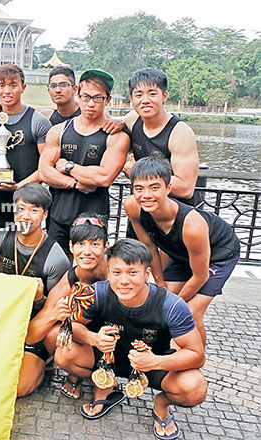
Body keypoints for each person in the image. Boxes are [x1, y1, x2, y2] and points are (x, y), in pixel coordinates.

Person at [54, 239, 207, 440]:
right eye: (117, 273)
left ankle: (161, 405)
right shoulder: (98, 293)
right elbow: (71, 325)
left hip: (151, 364)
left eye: (132, 273)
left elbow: (197, 355)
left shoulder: (171, 305)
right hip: (106, 359)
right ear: (108, 273)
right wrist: (94, 338)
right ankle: (105, 386)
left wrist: (155, 361)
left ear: (147, 274)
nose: (124, 281)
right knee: (64, 353)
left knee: (195, 387)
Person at [125, 157, 240, 344]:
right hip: (180, 254)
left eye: (154, 187)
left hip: (218, 254)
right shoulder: (133, 206)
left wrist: (175, 303)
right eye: (139, 188)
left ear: (168, 188)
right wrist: (159, 282)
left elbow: (200, 275)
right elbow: (149, 246)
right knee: (159, 305)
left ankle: (195, 362)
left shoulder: (192, 225)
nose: (146, 195)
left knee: (190, 314)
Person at [0, 183, 70, 396]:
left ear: (45, 214)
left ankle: (45, 362)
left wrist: (39, 298)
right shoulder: (2, 236)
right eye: (21, 209)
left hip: (35, 325)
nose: (26, 216)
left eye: (34, 210)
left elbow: (53, 312)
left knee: (20, 388)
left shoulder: (55, 257)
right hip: (6, 319)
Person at [39, 69, 129, 256]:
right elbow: (45, 172)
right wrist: (76, 183)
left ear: (108, 100)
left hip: (94, 218)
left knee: (91, 272)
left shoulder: (115, 136)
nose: (90, 104)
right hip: (58, 215)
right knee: (56, 269)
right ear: (78, 94)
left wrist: (68, 166)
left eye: (98, 98)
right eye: (86, 97)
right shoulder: (59, 130)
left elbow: (104, 177)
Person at [26, 213, 109, 399]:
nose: (86, 252)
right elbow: (31, 336)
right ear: (71, 247)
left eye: (94, 244)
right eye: (80, 244)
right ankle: (90, 378)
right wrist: (54, 314)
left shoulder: (117, 275)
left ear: (106, 247)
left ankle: (103, 375)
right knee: (53, 335)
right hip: (88, 342)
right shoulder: (68, 282)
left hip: (117, 340)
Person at [110, 67, 199, 204]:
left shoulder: (180, 133)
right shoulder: (132, 120)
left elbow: (185, 188)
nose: (145, 100)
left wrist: (137, 174)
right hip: (142, 206)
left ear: (164, 96)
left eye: (152, 94)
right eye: (139, 95)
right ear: (132, 99)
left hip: (173, 211)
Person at [0, 64, 51, 228]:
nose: (7, 91)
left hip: (30, 199)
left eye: (13, 85)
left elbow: (46, 165)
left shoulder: (38, 121)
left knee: (27, 246)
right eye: (2, 85)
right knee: (0, 244)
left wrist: (19, 186)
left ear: (23, 87)